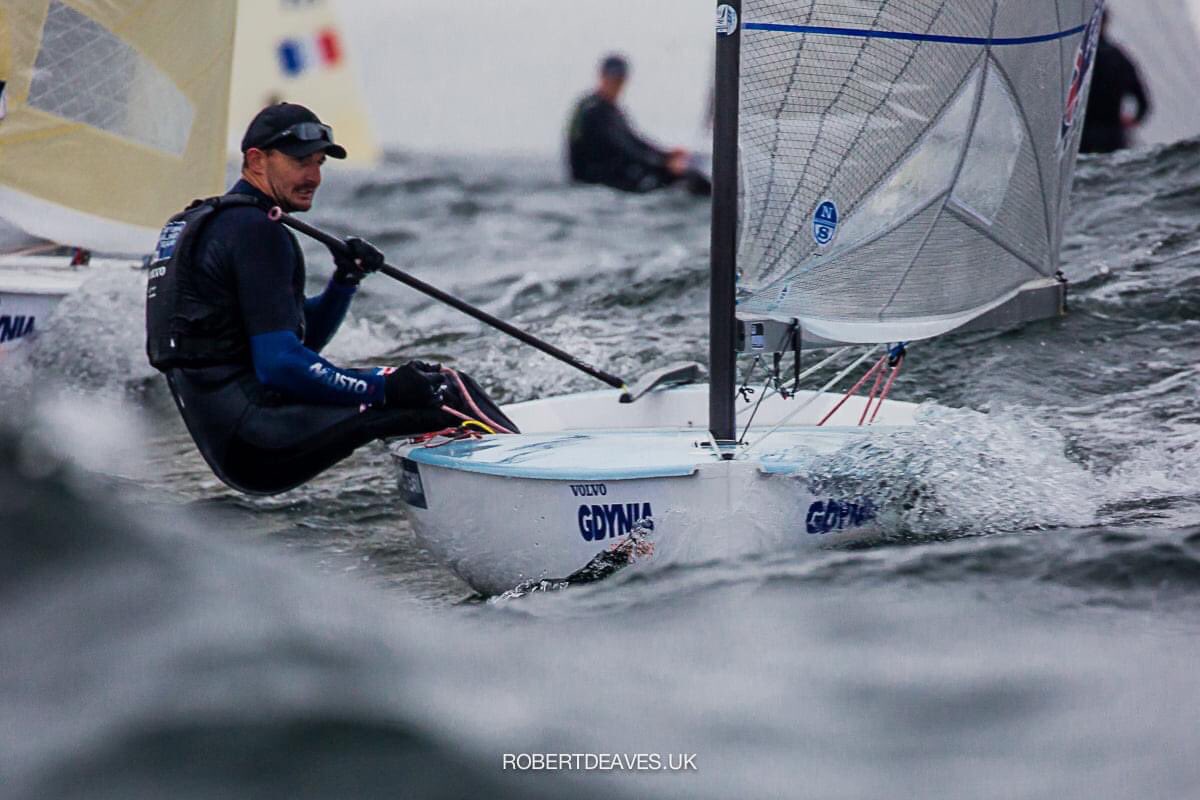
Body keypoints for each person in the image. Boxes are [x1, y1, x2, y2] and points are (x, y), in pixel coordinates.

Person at [145, 103, 512, 495]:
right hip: (258, 434)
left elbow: (297, 342)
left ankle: (482, 496)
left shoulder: (209, 222)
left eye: (319, 163)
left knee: (423, 389)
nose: (314, 177)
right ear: (256, 159)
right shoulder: (256, 231)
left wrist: (344, 280)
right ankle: (533, 482)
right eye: (301, 161)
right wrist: (381, 388)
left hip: (241, 442)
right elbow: (280, 365)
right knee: (444, 389)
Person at [567, 54, 711, 196]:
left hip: (616, 177)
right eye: (612, 80)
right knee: (686, 179)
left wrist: (666, 155)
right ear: (602, 77)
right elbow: (624, 148)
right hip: (599, 182)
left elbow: (634, 140)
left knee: (689, 177)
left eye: (620, 81)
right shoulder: (593, 110)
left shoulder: (611, 110)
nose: (616, 86)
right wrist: (663, 164)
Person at [1081, 11, 1151, 154]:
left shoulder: (1077, 58)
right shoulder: (1119, 57)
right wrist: (1132, 120)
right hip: (1113, 138)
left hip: (1082, 138)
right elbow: (1144, 103)